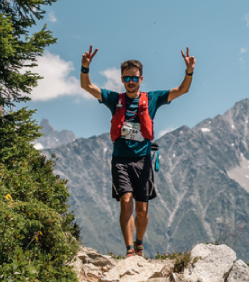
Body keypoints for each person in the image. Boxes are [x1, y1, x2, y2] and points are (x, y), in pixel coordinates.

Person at [80, 45, 195, 258]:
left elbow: (182, 90)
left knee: (142, 210)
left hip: (143, 160)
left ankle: (140, 245)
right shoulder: (115, 99)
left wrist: (189, 71)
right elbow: (87, 87)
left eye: (134, 78)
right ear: (122, 80)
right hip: (120, 160)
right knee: (125, 200)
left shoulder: (152, 98)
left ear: (141, 79)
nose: (130, 82)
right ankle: (130, 250)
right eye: (127, 78)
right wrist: (85, 67)